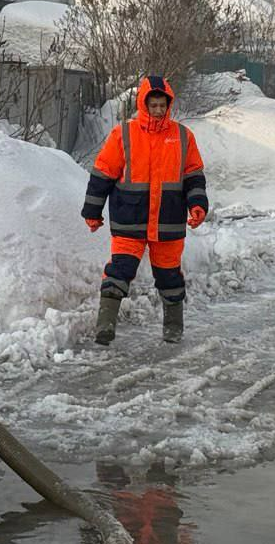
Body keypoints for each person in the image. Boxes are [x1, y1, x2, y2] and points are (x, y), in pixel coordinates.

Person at [81, 76, 208, 344]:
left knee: (169, 276)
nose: (159, 110)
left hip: (168, 222)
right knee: (119, 270)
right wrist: (92, 211)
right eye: (154, 105)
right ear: (143, 104)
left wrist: (197, 205)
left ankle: (173, 327)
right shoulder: (123, 134)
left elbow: (194, 176)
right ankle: (105, 326)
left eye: (163, 105)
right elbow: (103, 173)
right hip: (130, 219)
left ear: (169, 105)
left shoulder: (183, 137)